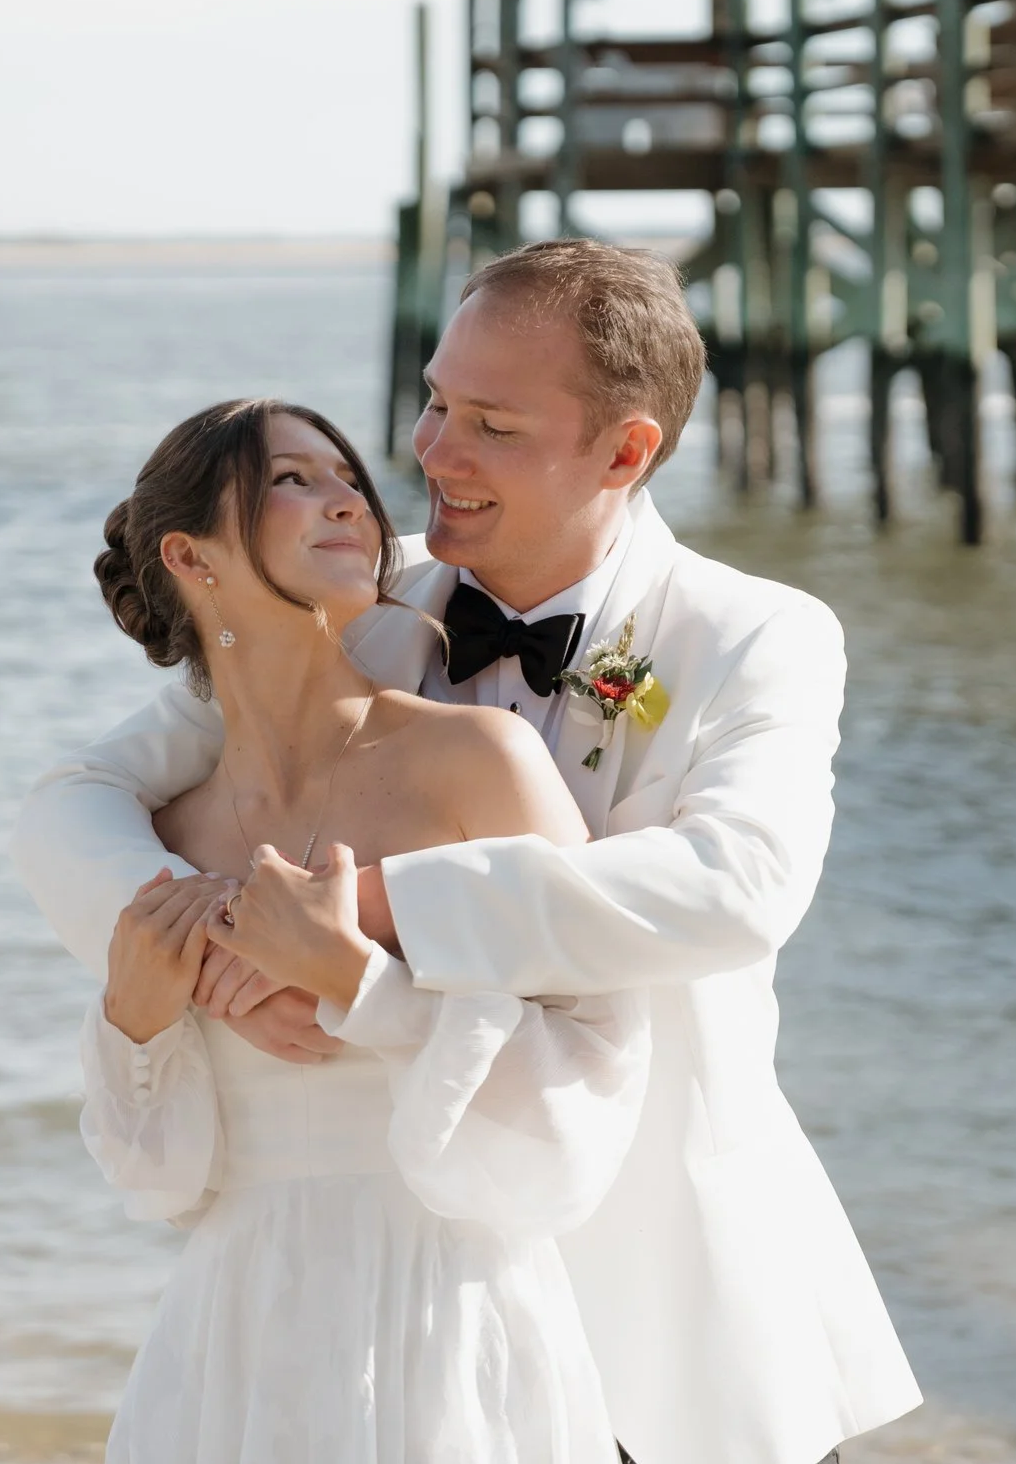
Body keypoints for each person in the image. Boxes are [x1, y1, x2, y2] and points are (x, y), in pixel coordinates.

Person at [15, 238, 922, 1464]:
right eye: (436, 400)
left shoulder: (754, 634)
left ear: (625, 450)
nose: (431, 451)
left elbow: (737, 887)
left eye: (490, 423)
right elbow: (81, 797)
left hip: (654, 1286)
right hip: (388, 1314)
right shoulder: (355, 601)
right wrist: (209, 949)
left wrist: (361, 918)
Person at [61, 396, 652, 1462]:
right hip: (233, 1349)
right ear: (190, 557)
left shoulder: (479, 762)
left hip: (453, 1327)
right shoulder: (165, 839)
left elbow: (594, 1078)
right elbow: (158, 1184)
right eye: (291, 480)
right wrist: (136, 1022)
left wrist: (361, 984)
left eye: (347, 480)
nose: (346, 500)